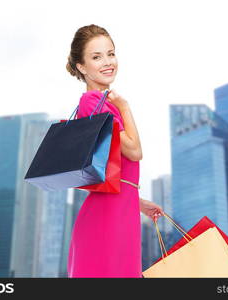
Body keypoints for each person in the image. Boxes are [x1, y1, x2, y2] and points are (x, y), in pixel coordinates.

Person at [66, 24, 164, 278]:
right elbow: (134, 151)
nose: (108, 62)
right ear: (81, 66)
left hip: (119, 210)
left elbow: (112, 169)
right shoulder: (93, 102)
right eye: (96, 57)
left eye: (111, 53)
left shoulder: (104, 104)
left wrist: (136, 202)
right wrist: (126, 107)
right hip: (107, 219)